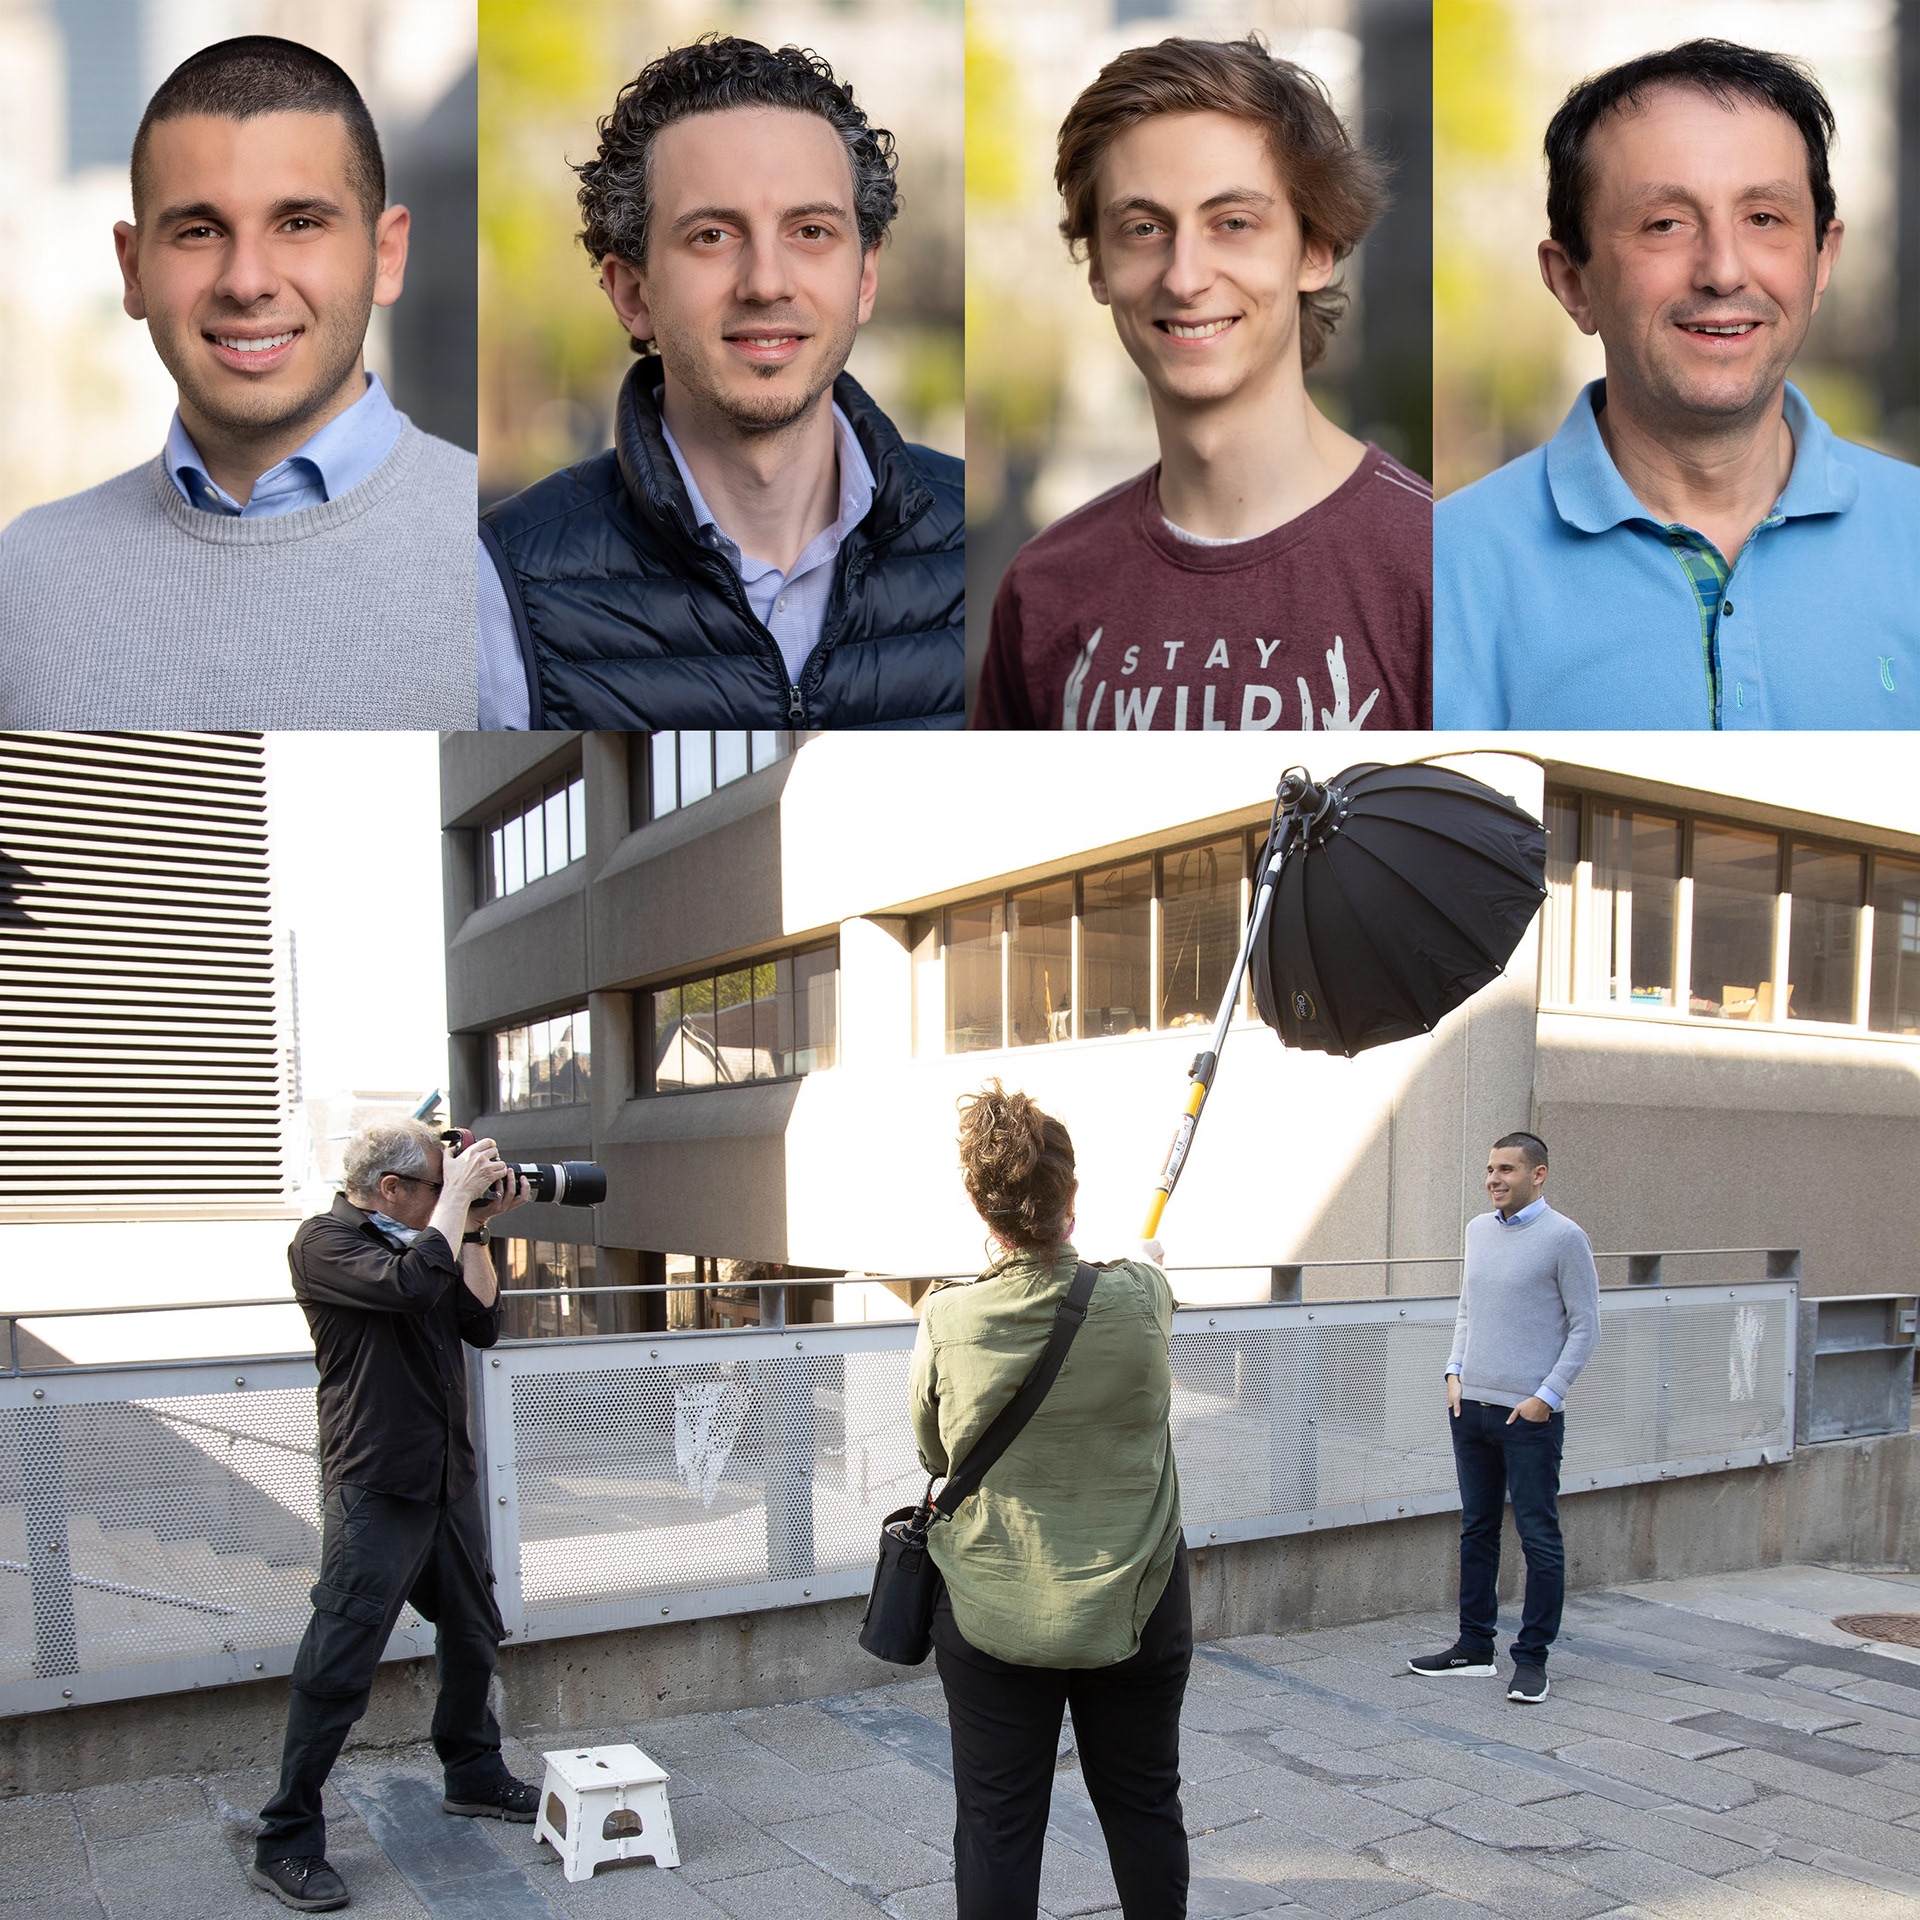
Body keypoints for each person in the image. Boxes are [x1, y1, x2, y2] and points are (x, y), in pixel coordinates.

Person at [478, 35, 964, 731]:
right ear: (632, 292)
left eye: (811, 231)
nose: (766, 282)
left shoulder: (983, 552)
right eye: (712, 235)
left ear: (865, 277)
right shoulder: (497, 591)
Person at [1435, 39, 1920, 729]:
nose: (1723, 270)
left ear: (1823, 260)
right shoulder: (1443, 572)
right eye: (1665, 224)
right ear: (1573, 282)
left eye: (1764, 218)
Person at [0, 37, 477, 731]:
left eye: (299, 223)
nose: (247, 282)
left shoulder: (499, 554)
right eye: (199, 231)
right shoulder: (20, 574)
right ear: (132, 270)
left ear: (386, 254)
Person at [972, 34, 1431, 732]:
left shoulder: (1438, 570)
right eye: (1143, 228)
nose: (1185, 278)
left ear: (1315, 250)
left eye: (1234, 223)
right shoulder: (1043, 588)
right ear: (1098, 267)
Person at [908, 1083, 1187, 1920]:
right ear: (1072, 1197)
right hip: (1136, 1596)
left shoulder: (948, 1317)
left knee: (996, 1824)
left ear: (982, 1208)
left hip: (992, 1602)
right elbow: (1147, 1277)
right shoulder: (1138, 1296)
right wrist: (1142, 1259)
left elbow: (935, 1454)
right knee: (1143, 1804)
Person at [250, 1121, 533, 1912]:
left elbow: (481, 1324)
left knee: (473, 1631)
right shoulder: (326, 1243)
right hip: (375, 1484)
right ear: (391, 1189)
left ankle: (472, 1774)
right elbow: (409, 1287)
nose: (451, 1196)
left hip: (446, 1479)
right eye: (439, 1185)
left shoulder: (430, 1240)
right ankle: (286, 1839)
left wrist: (475, 1227)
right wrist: (455, 1210)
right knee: (339, 1663)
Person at [1409, 1132, 1600, 1706]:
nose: (1494, 1179)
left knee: (1539, 1538)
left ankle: (1532, 1659)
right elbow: (1468, 1310)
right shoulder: (1477, 1230)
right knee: (1477, 1529)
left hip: (1528, 1416)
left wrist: (1547, 1396)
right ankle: (1474, 1647)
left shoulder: (1565, 1238)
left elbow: (1586, 1327)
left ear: (1538, 1175)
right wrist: (1453, 1371)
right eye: (1490, 1169)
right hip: (1470, 1408)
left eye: (1507, 1170)